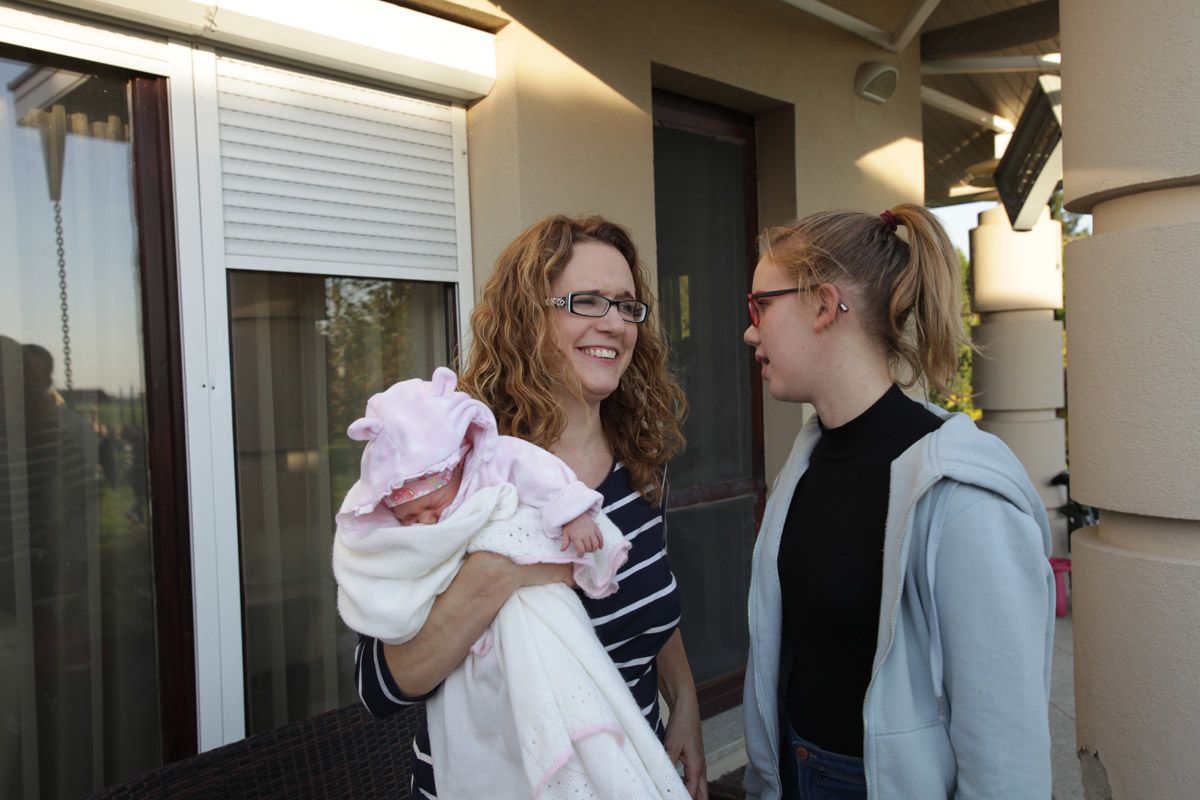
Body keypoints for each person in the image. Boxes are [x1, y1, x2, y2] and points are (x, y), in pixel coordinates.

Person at [353, 215, 708, 799]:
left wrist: (685, 702)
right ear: (527, 317)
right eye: (586, 301)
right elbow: (379, 686)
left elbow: (647, 596)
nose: (614, 323)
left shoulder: (642, 462)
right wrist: (503, 572)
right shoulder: (462, 470)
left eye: (627, 306)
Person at [741, 205, 1054, 799]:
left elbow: (1005, 750)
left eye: (762, 305)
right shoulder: (805, 463)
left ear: (824, 305)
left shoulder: (962, 495)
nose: (751, 331)